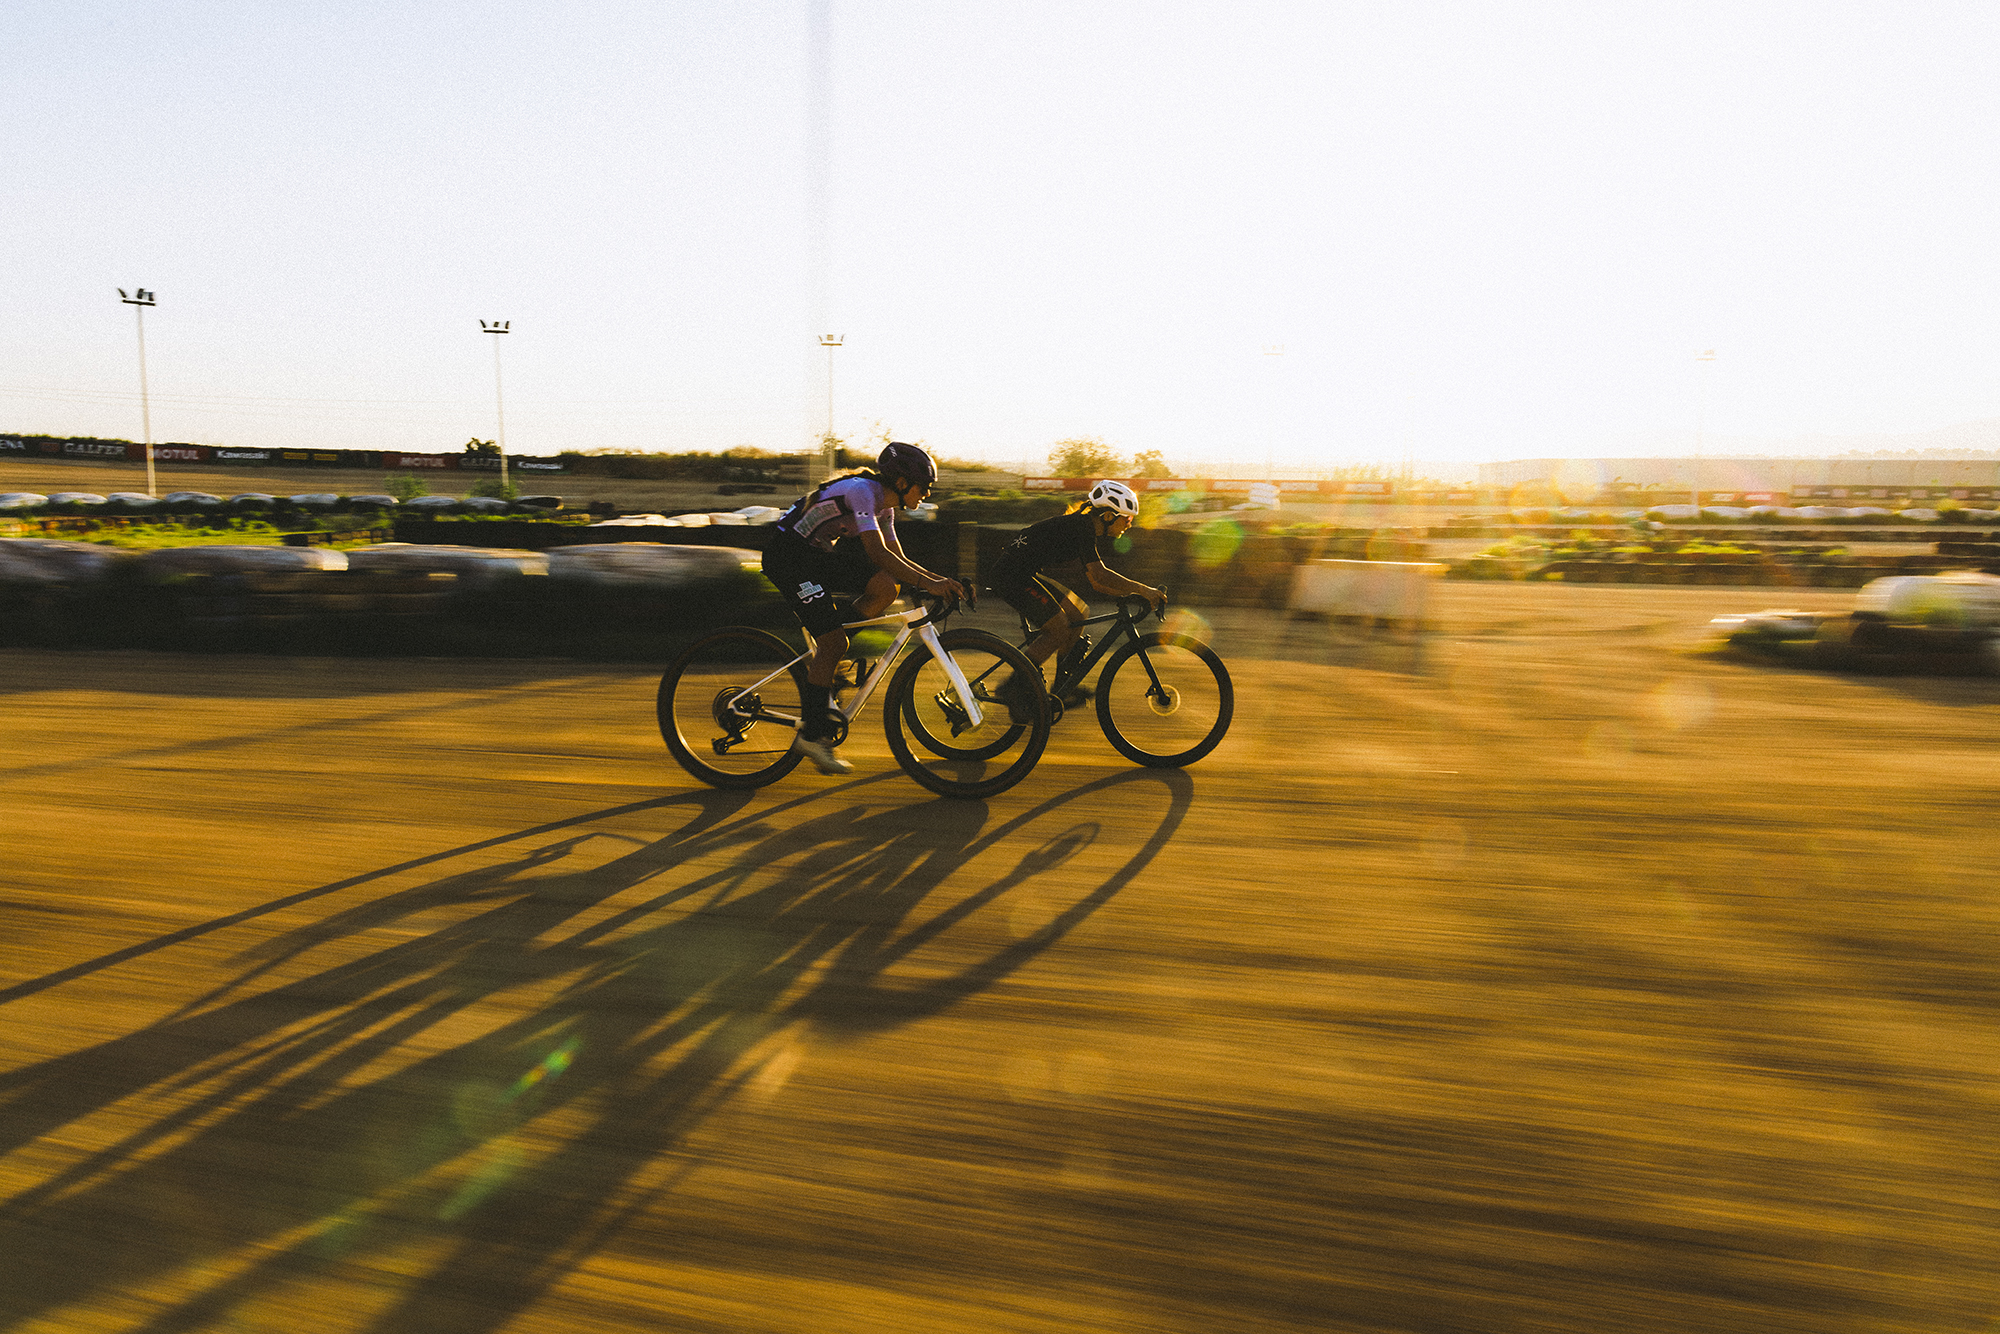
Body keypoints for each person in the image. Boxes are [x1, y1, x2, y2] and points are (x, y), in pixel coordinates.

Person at [764, 441, 966, 774]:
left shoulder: (885, 507)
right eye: (924, 486)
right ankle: (811, 736)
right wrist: (930, 584)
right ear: (901, 482)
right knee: (834, 643)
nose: (927, 494)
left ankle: (829, 661)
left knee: (886, 586)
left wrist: (939, 581)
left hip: (814, 555)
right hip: (787, 557)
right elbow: (876, 553)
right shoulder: (863, 493)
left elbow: (896, 558)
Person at [985, 478, 1165, 717]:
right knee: (1058, 630)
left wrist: (1130, 594)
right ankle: (1013, 687)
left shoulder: (1085, 527)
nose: (1129, 525)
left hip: (1022, 573)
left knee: (1078, 613)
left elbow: (1096, 583)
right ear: (1108, 516)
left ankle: (1062, 687)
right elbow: (1100, 574)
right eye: (1127, 519)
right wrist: (1143, 590)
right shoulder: (1082, 528)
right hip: (1010, 577)